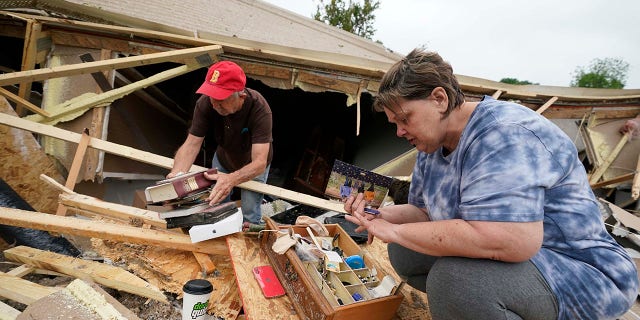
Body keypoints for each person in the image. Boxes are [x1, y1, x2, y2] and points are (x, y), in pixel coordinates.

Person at [344, 48, 638, 319]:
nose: (399, 131)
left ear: (439, 99)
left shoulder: (503, 134)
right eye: (395, 123)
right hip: (527, 260)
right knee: (404, 250)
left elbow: (513, 242)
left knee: (456, 282)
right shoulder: (432, 144)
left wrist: (395, 230)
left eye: (404, 118)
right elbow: (423, 213)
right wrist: (379, 217)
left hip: (578, 268)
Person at [168, 60, 273, 227]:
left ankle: (246, 239)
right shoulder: (205, 104)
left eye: (221, 98)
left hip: (252, 165)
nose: (214, 103)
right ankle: (220, 232)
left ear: (241, 96)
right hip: (224, 159)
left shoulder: (259, 108)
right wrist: (176, 176)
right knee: (216, 205)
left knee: (250, 211)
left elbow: (259, 163)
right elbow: (191, 144)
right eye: (211, 95)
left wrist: (231, 180)